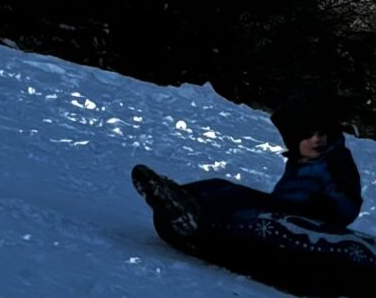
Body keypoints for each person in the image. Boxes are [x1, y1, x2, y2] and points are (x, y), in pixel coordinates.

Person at [131, 91, 362, 249]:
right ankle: (177, 198)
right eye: (308, 135)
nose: (317, 140)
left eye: (322, 134)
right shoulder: (302, 160)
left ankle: (193, 214)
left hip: (307, 220)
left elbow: (349, 208)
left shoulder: (335, 162)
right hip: (284, 211)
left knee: (238, 200)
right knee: (222, 187)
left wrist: (330, 192)